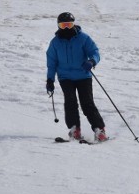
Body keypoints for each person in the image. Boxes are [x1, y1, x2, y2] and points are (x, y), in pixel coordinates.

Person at [46, 12, 108, 142]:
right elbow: (51, 63)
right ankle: (75, 130)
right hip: (65, 77)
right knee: (70, 102)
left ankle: (100, 130)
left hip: (83, 76)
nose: (67, 28)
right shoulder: (55, 43)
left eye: (69, 24)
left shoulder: (83, 38)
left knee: (87, 103)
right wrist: (50, 80)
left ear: (74, 24)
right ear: (58, 26)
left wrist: (91, 61)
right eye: (63, 25)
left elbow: (94, 52)